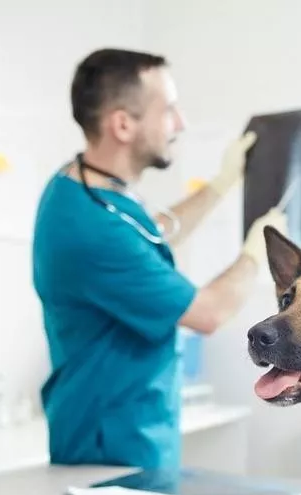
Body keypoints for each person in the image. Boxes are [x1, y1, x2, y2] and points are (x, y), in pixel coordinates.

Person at [32, 48, 287, 470]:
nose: (181, 123)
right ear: (123, 124)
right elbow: (207, 313)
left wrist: (221, 185)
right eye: (168, 109)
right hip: (108, 453)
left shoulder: (83, 191)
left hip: (131, 436)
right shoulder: (90, 228)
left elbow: (151, 233)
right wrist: (258, 252)